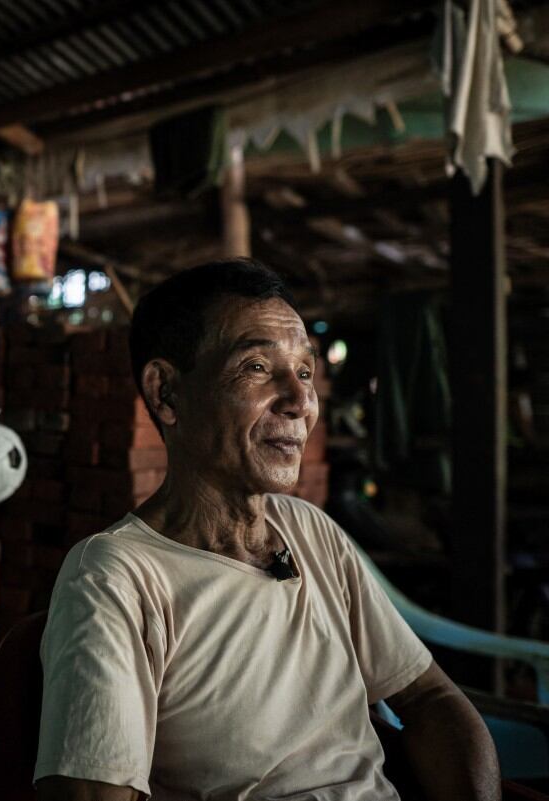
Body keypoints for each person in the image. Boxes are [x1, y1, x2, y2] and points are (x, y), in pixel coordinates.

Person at [34, 260, 500, 801]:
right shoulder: (117, 578)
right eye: (256, 367)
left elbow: (431, 701)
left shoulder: (308, 531)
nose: (301, 402)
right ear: (166, 394)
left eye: (304, 371)